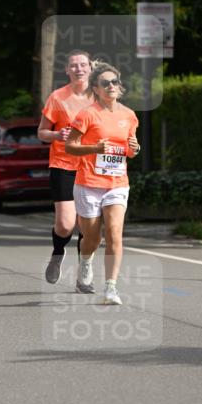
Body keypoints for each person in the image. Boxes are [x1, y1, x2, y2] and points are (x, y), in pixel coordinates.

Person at [65, 63, 140, 305]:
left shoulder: (129, 115)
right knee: (92, 237)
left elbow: (130, 147)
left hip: (117, 183)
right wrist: (95, 148)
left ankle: (111, 288)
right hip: (88, 183)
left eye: (114, 82)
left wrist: (135, 149)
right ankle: (86, 262)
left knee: (114, 233)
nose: (111, 86)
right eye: (105, 83)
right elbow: (70, 146)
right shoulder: (87, 114)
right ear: (96, 89)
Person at [38, 50, 94, 283]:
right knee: (65, 224)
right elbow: (41, 133)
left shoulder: (100, 97)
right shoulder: (58, 97)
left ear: (90, 68)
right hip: (63, 164)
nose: (78, 69)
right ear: (67, 70)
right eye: (74, 65)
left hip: (91, 167)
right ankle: (58, 253)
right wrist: (57, 135)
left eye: (83, 65)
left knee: (86, 224)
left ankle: (84, 270)